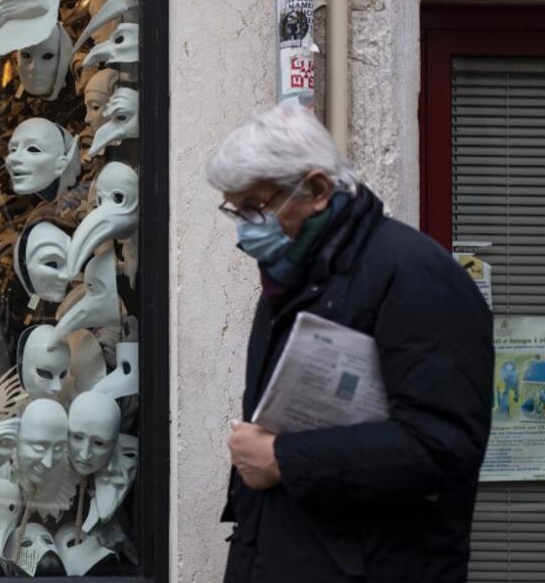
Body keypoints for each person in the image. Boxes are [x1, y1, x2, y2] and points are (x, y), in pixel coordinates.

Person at [204, 104, 493, 582]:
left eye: (256, 207)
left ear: (316, 190)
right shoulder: (288, 282)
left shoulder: (415, 275)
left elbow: (443, 445)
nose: (244, 229)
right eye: (236, 210)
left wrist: (283, 459)